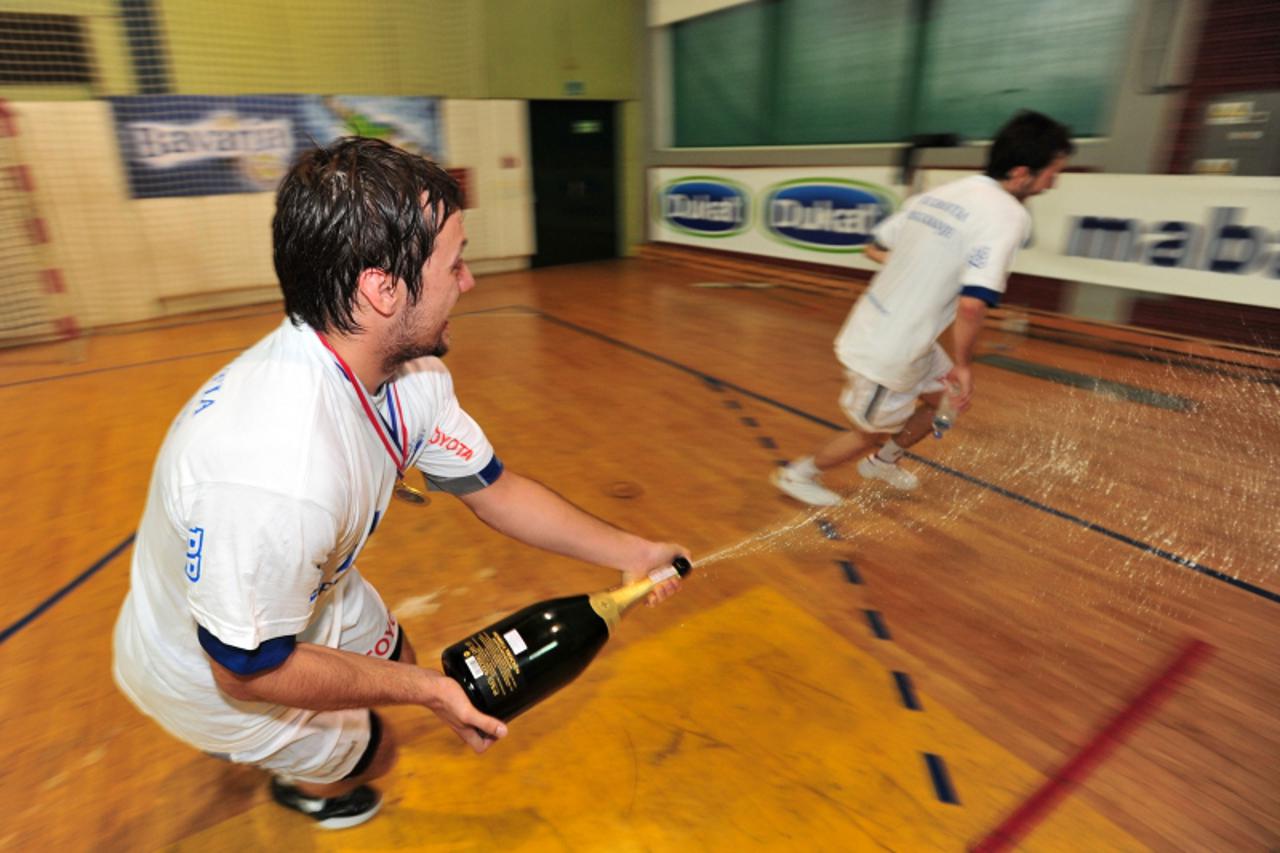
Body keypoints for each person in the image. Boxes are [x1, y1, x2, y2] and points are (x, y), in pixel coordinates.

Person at [112, 137, 687, 830]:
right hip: (209, 667)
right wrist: (427, 694)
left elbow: (494, 489)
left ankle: (341, 722)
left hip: (317, 589)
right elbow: (245, 669)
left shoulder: (412, 375)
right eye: (456, 262)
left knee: (402, 659)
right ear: (382, 289)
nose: (469, 281)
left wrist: (631, 550)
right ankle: (305, 782)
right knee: (378, 750)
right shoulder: (275, 474)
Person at [772, 110, 1074, 505]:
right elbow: (971, 305)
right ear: (1021, 173)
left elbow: (874, 246)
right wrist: (964, 365)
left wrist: (917, 268)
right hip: (887, 346)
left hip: (908, 335)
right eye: (1052, 174)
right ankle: (799, 474)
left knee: (945, 400)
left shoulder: (944, 193)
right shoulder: (1008, 215)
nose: (1052, 184)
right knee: (869, 430)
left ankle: (884, 462)